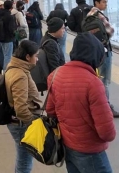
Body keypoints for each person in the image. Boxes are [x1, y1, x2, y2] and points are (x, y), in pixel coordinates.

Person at [46, 33, 116, 173]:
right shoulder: (93, 83)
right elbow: (107, 133)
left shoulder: (55, 75)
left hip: (67, 146)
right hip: (90, 151)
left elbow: (51, 111)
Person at [5, 40, 42, 173]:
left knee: (22, 158)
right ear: (27, 57)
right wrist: (34, 122)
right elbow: (20, 108)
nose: (37, 59)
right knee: (25, 161)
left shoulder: (14, 66)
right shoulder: (20, 75)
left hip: (16, 122)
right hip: (21, 124)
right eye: (36, 56)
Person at [87, 0, 119, 117]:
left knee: (97, 78)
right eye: (104, 2)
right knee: (104, 80)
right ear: (97, 3)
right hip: (104, 50)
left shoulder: (89, 15)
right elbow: (111, 30)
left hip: (95, 51)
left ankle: (98, 105)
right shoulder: (99, 15)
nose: (106, 4)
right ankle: (106, 107)